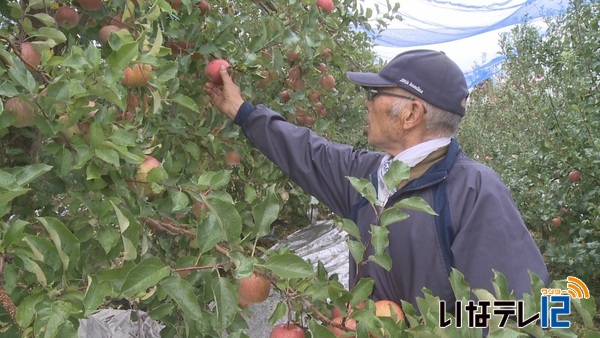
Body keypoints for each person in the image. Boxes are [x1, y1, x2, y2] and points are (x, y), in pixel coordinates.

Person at [204, 49, 549, 314]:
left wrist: (417, 325)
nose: (366, 104)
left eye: (374, 94)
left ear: (411, 114)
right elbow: (308, 152)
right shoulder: (370, 176)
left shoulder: (473, 191)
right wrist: (242, 111)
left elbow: (519, 312)